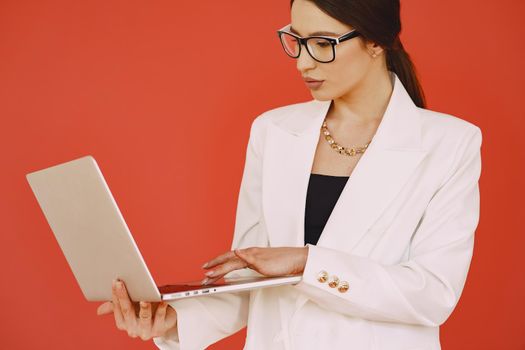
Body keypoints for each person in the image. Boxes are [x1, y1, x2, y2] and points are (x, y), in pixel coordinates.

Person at [96, 0, 483, 349]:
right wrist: (177, 319)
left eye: (323, 43)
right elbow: (251, 279)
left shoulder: (449, 143)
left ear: (377, 42)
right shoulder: (274, 131)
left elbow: (433, 294)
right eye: (296, 40)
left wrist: (306, 263)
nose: (303, 62)